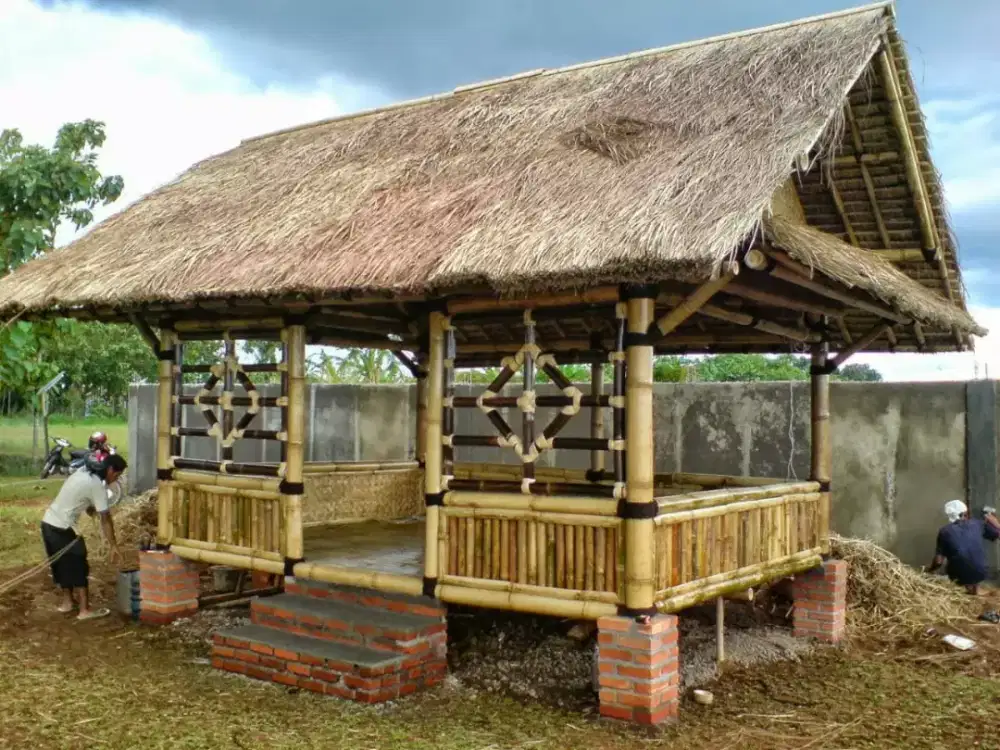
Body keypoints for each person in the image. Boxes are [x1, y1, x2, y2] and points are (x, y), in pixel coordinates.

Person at [40, 453, 127, 619]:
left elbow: (82, 500)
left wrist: (91, 508)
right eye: (117, 475)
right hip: (62, 527)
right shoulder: (97, 486)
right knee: (79, 563)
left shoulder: (82, 472)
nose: (115, 479)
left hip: (48, 524)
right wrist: (113, 546)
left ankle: (67, 603)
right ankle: (84, 610)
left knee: (61, 564)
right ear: (109, 469)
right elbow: (106, 519)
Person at [927, 499, 1000, 595]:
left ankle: (968, 588)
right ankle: (975, 589)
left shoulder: (944, 531)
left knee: (956, 564)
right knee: (974, 561)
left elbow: (938, 561)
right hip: (982, 572)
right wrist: (995, 523)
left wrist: (929, 571)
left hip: (958, 577)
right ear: (965, 513)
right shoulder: (978, 524)